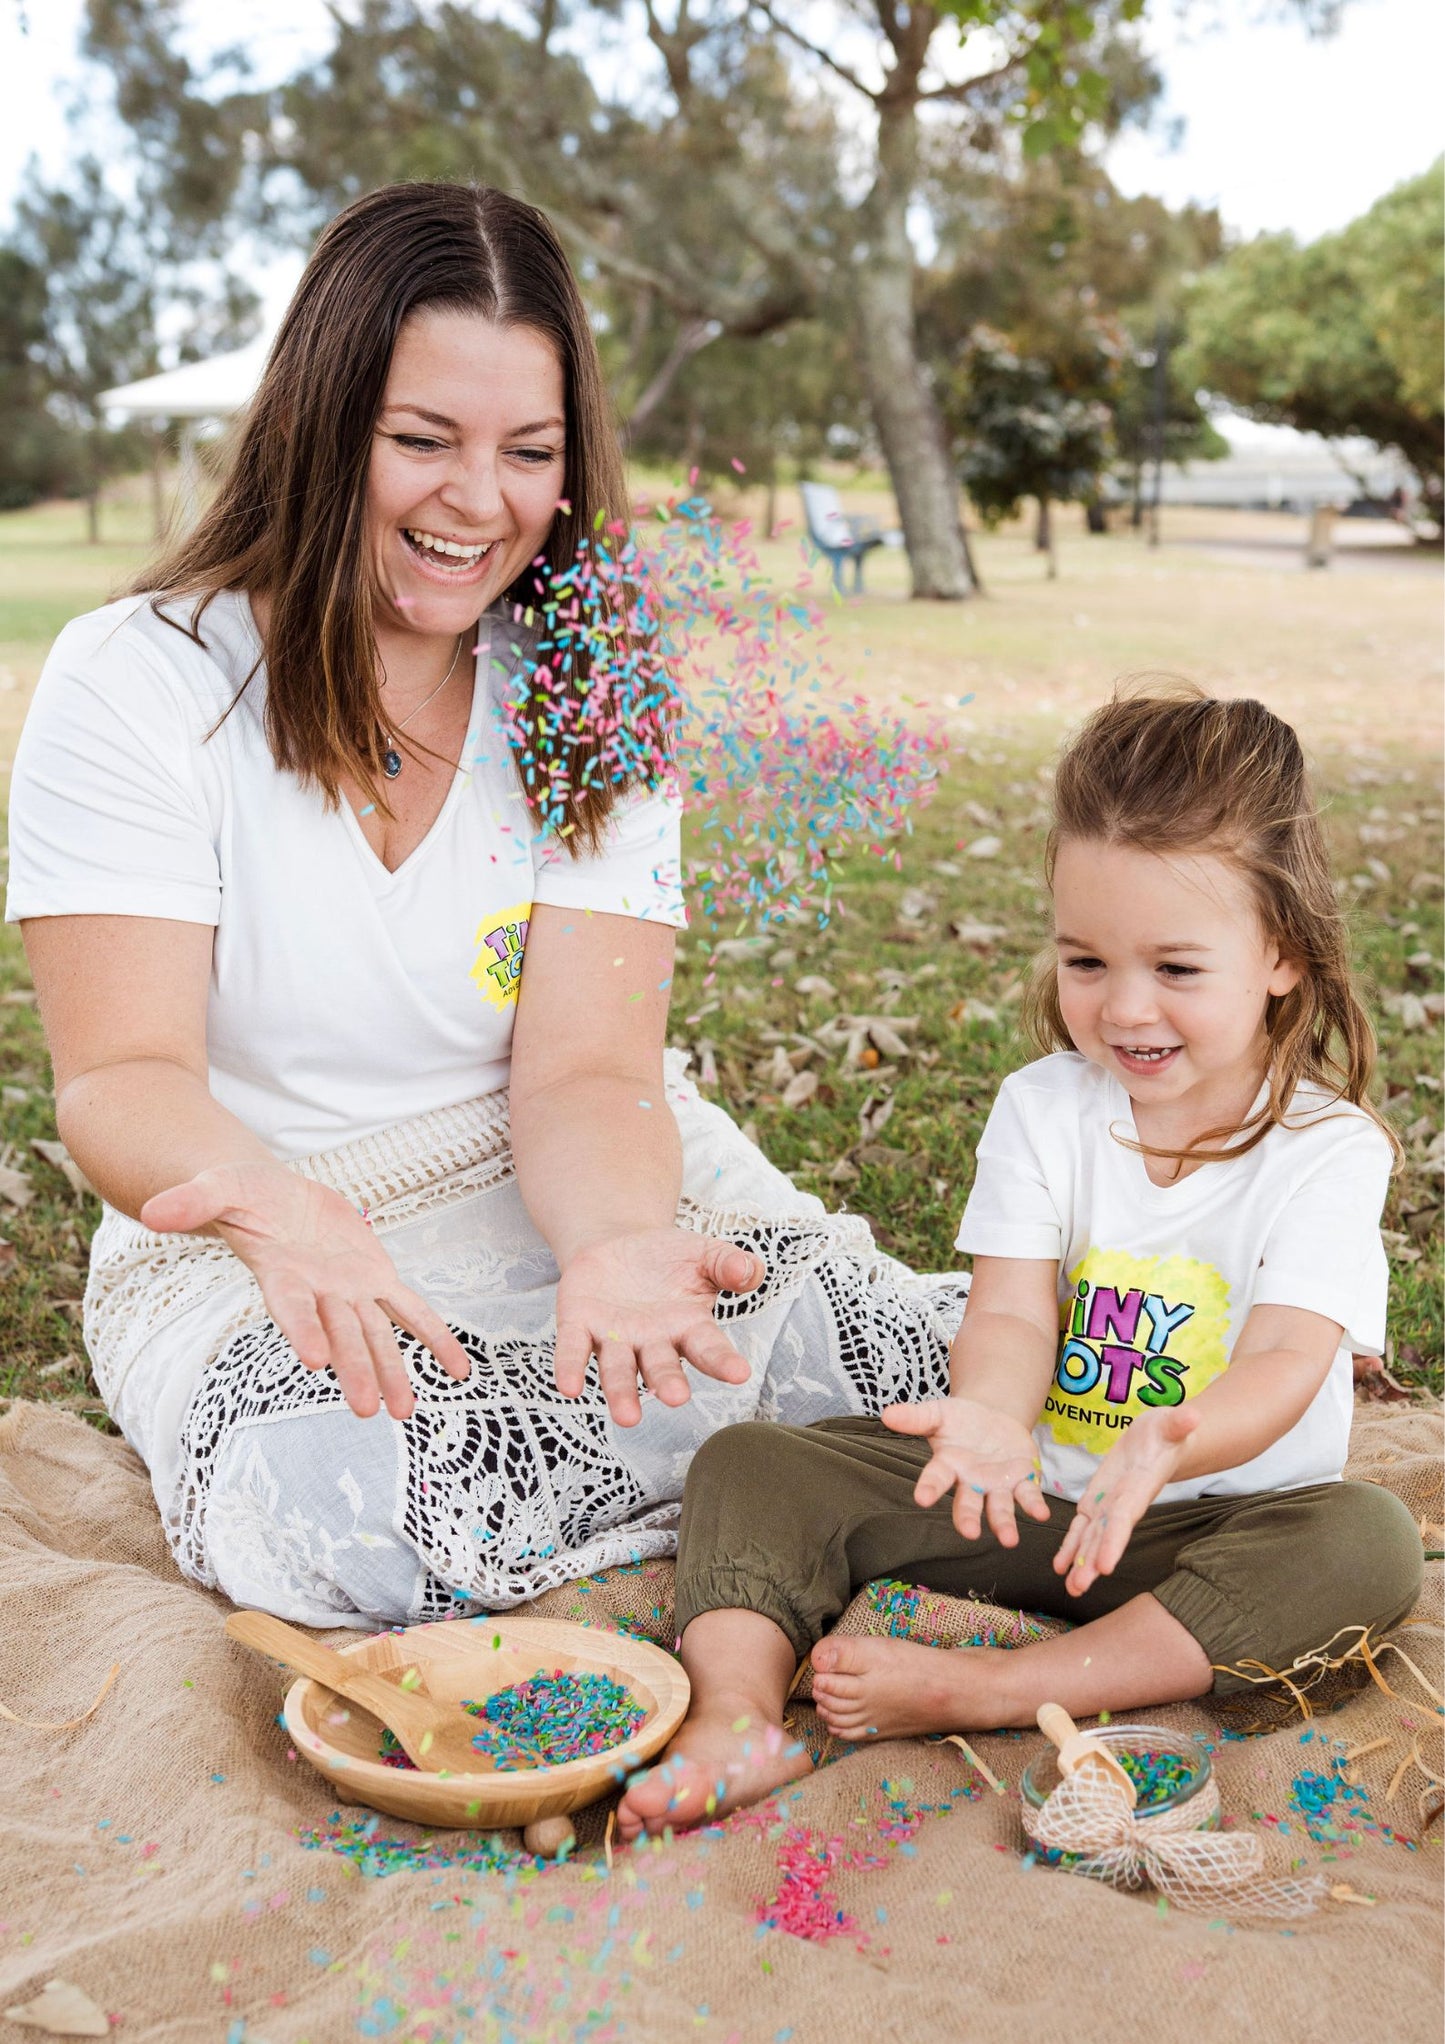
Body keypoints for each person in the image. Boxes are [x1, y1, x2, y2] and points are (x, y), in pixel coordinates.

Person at [6, 182, 964, 1627]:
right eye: (420, 441)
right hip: (255, 1228)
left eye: (529, 452)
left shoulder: (595, 687)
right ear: (321, 428)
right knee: (336, 1510)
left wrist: (620, 1257)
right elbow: (120, 1080)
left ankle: (699, 1485)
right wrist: (284, 1211)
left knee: (927, 1375)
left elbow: (583, 1071)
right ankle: (747, 1500)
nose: (479, 503)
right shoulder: (136, 677)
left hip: (575, 1169)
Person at [617, 682, 1423, 1841]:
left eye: (1176, 970)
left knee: (1365, 1542)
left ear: (1281, 954)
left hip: (1214, 1531)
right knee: (751, 1463)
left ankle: (988, 1689)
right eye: (1084, 960)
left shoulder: (1324, 1151)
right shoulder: (1043, 1108)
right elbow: (1006, 1314)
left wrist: (1170, 1437)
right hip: (1024, 1501)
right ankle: (736, 1715)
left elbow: (1292, 1355)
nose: (1122, 1008)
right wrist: (990, 1416)